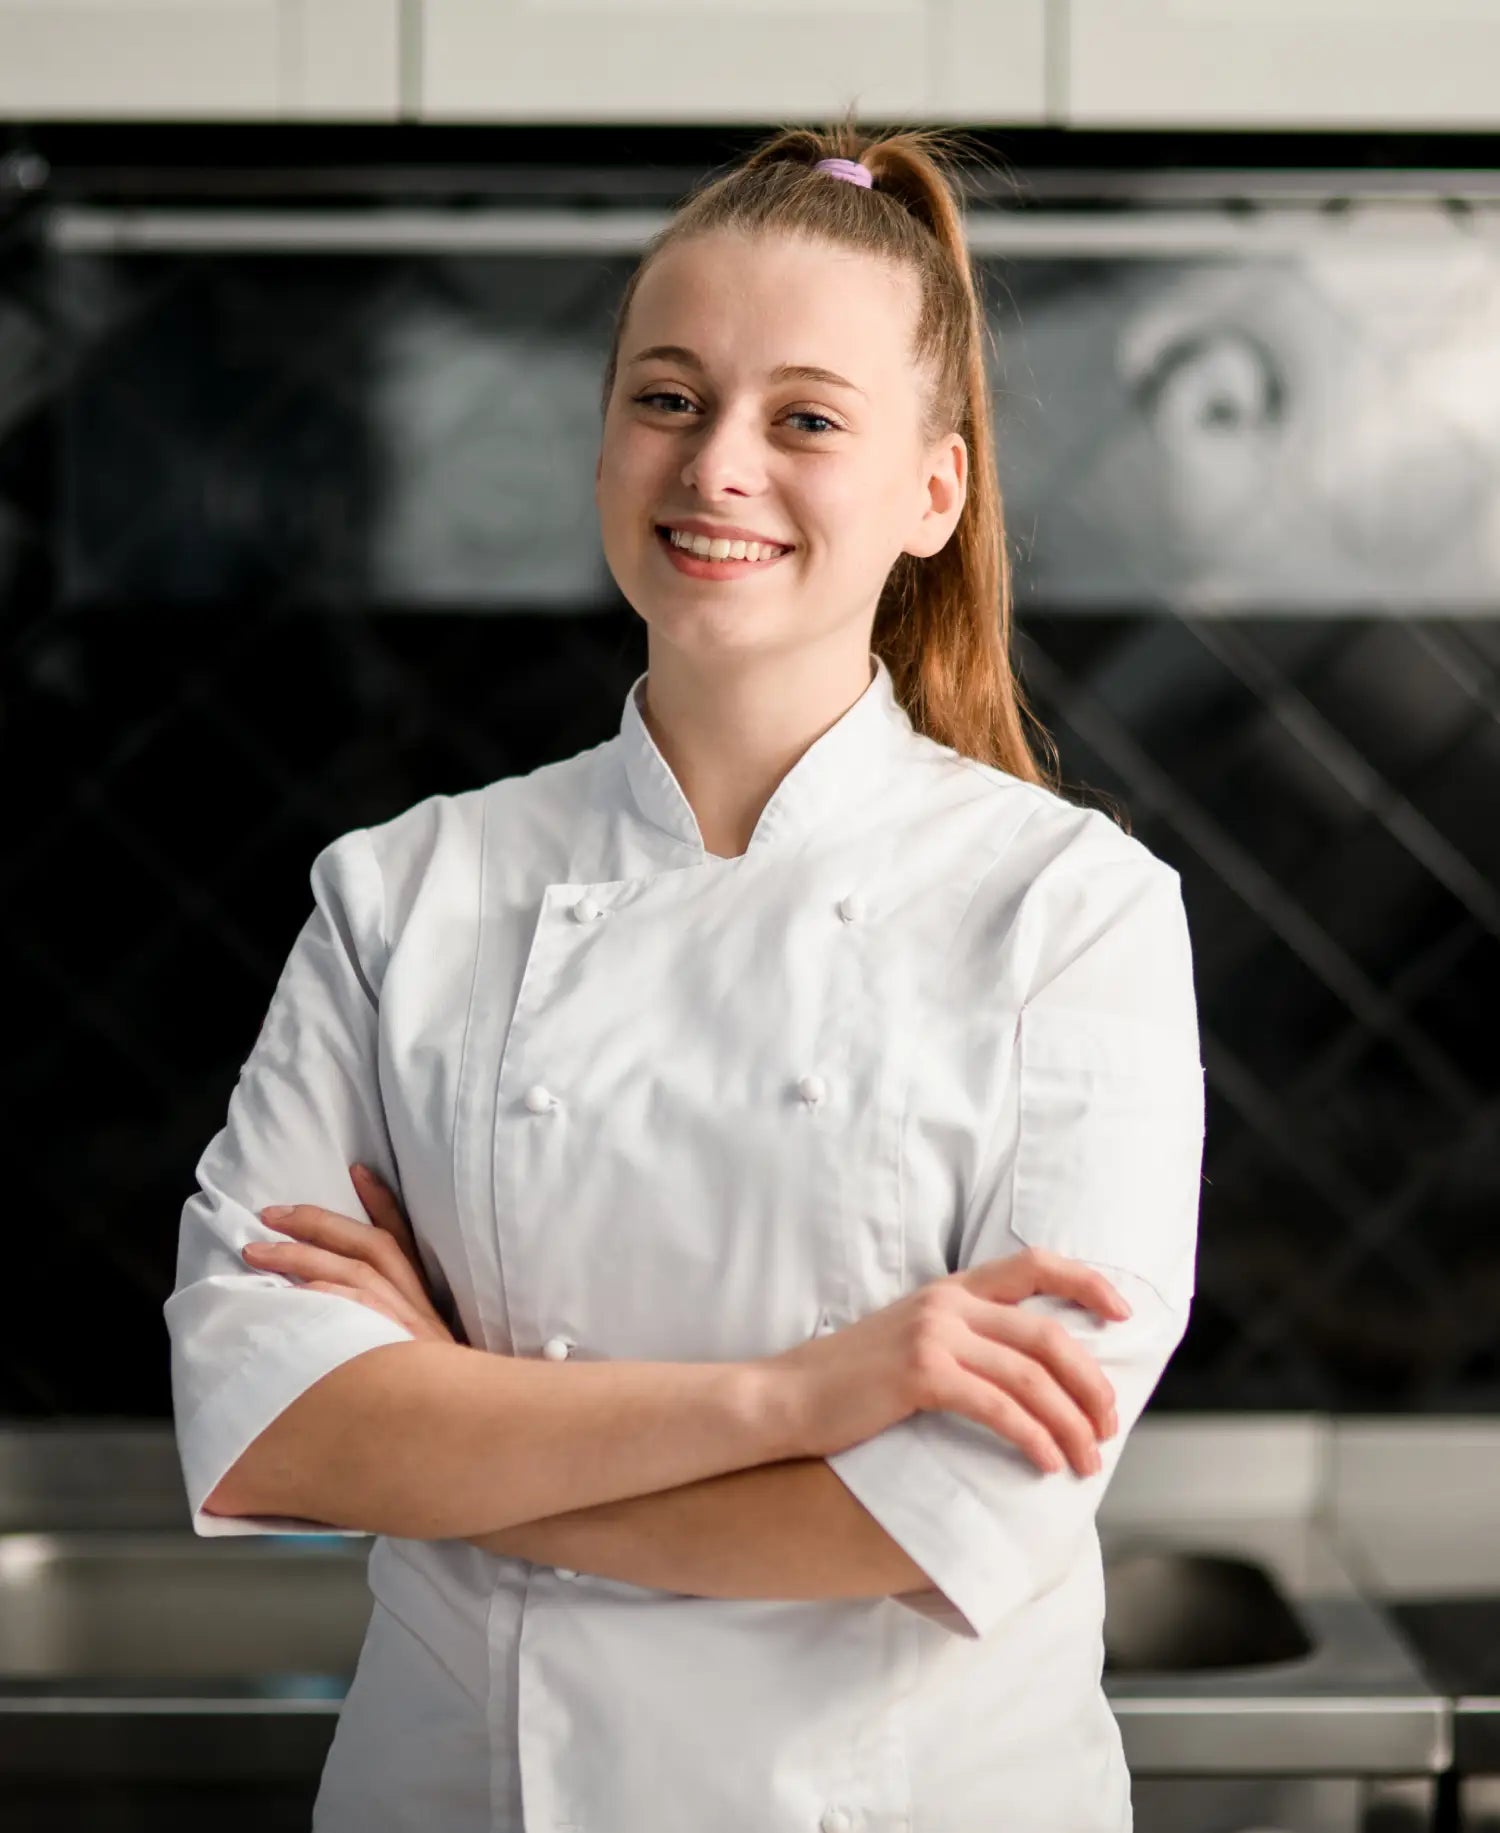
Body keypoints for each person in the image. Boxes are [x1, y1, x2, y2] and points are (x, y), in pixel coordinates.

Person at [164, 118, 1206, 1833]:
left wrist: (457, 1452)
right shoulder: (404, 894)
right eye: (668, 397)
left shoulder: (1070, 912)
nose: (717, 464)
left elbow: (951, 1516)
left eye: (806, 418)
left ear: (934, 492)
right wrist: (794, 1398)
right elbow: (273, 1426)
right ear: (603, 447)